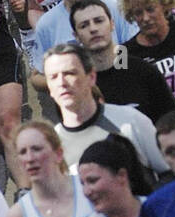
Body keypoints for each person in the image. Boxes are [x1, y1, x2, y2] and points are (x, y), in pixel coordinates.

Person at [43, 42, 168, 177]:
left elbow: (170, 172)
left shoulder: (130, 121)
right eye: (53, 77)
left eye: (70, 73)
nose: (62, 83)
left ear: (91, 77)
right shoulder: (52, 146)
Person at [30, 0, 137, 88]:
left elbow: (134, 50)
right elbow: (37, 77)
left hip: (121, 89)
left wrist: (116, 73)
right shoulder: (47, 24)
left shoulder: (115, 8)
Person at [71, 0, 173, 124]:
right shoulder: (78, 86)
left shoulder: (143, 72)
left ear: (112, 24)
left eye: (99, 21)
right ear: (76, 36)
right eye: (84, 25)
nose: (93, 29)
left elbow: (171, 120)